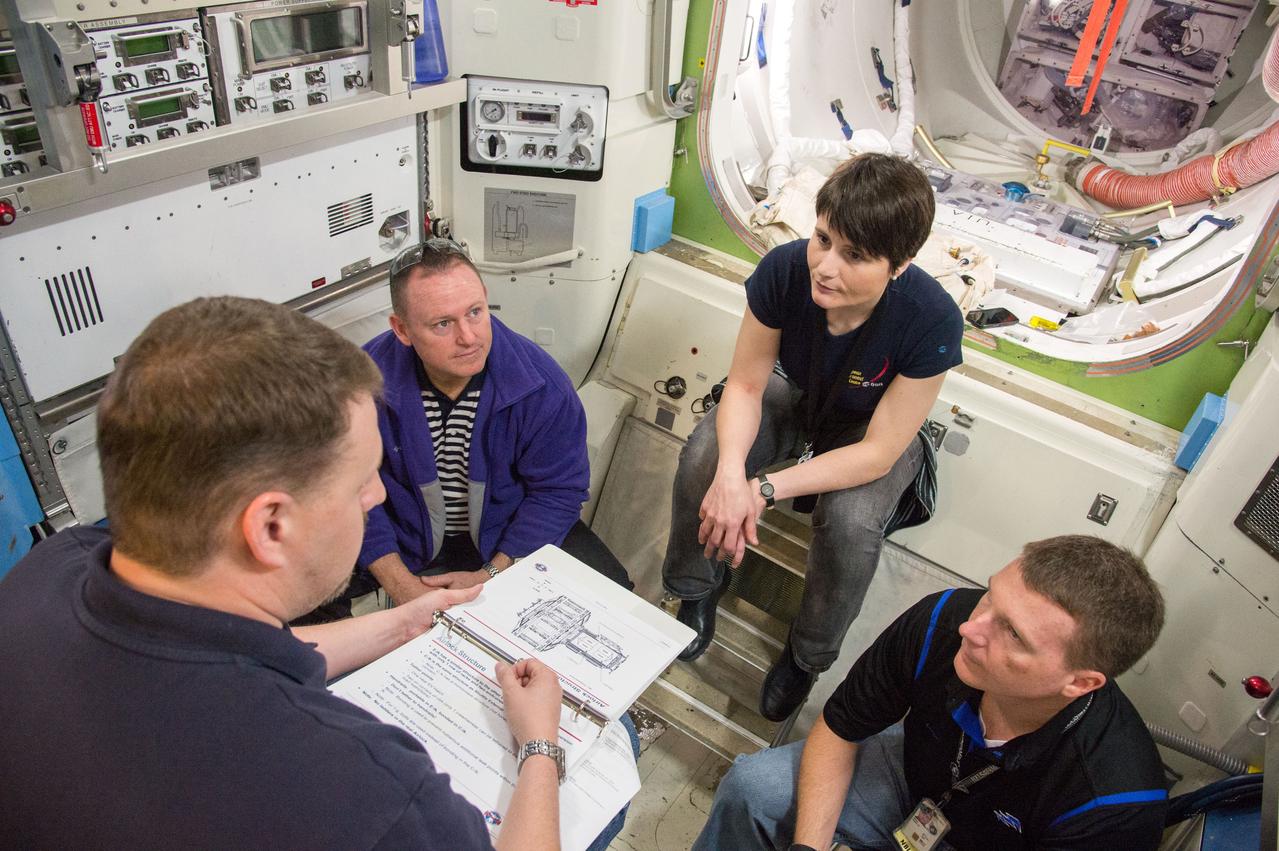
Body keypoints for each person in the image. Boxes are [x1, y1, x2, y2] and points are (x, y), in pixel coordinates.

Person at [0, 297, 569, 849]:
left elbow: (221, 649)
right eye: (360, 482)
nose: (377, 496)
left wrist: (403, 623)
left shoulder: (54, 564)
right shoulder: (370, 794)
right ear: (270, 526)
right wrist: (541, 745)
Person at [662, 153, 964, 720]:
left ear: (899, 266)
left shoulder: (932, 319)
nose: (826, 267)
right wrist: (730, 476)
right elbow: (745, 385)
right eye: (823, 239)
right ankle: (695, 590)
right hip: (794, 388)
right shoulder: (784, 271)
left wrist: (762, 489)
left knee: (851, 522)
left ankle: (807, 657)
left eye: (855, 256)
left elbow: (878, 452)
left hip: (868, 426)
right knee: (705, 456)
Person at [694, 535, 1170, 851]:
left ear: (1080, 683)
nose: (971, 629)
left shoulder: (1115, 803)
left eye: (1013, 633)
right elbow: (841, 730)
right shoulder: (943, 620)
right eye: (990, 596)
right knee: (754, 788)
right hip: (911, 777)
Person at [307, 238, 629, 622]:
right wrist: (400, 584)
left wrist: (494, 573)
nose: (468, 337)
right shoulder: (358, 386)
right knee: (299, 587)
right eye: (443, 323)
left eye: (475, 312)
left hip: (503, 532)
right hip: (400, 536)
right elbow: (346, 491)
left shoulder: (542, 387)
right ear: (402, 329)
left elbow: (558, 492)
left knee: (614, 594)